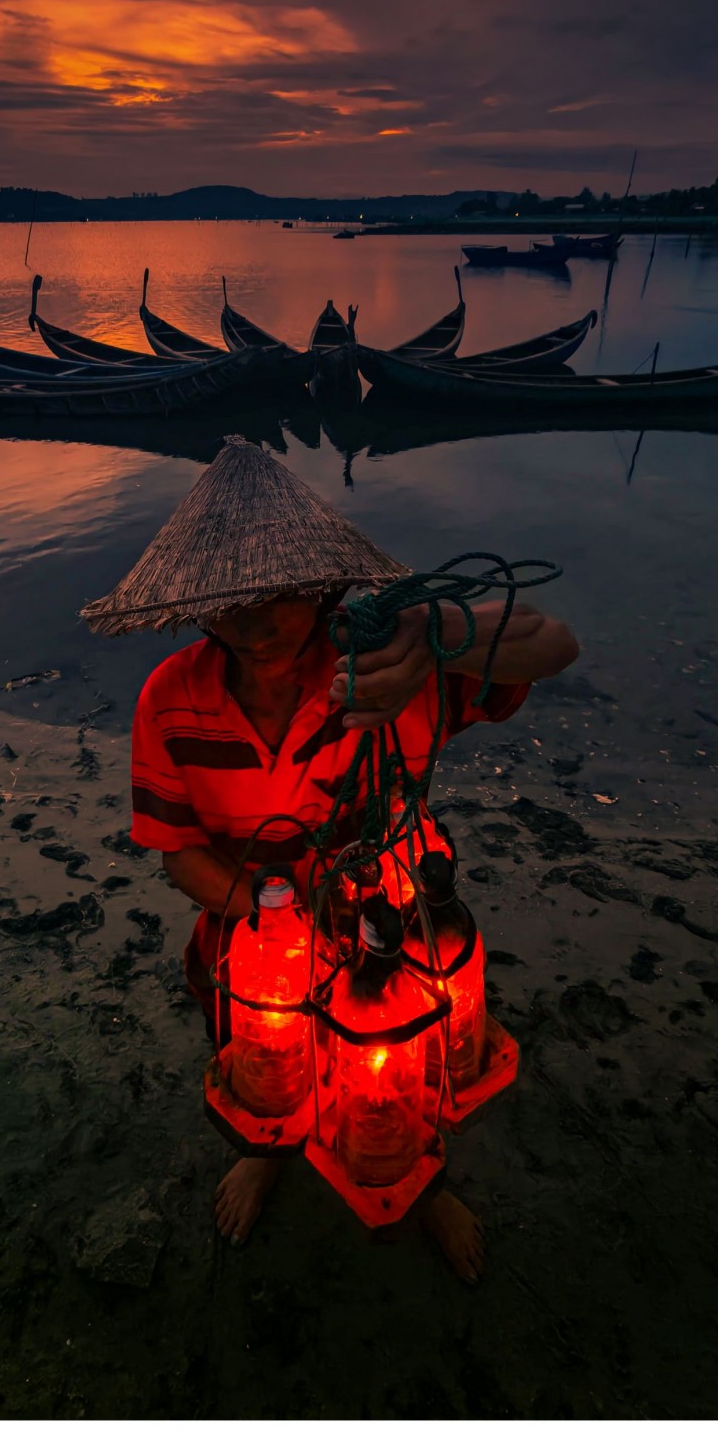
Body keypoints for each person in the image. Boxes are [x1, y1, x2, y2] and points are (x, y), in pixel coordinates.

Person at [81, 439, 579, 1283]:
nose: (258, 619)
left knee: (409, 1081)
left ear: (322, 587)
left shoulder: (391, 670)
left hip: (395, 941)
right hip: (257, 952)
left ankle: (425, 1193)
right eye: (231, 600)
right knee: (266, 1073)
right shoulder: (170, 700)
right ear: (198, 606)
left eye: (281, 593)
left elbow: (554, 643)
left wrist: (433, 633)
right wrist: (275, 914)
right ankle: (268, 1155)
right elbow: (180, 856)